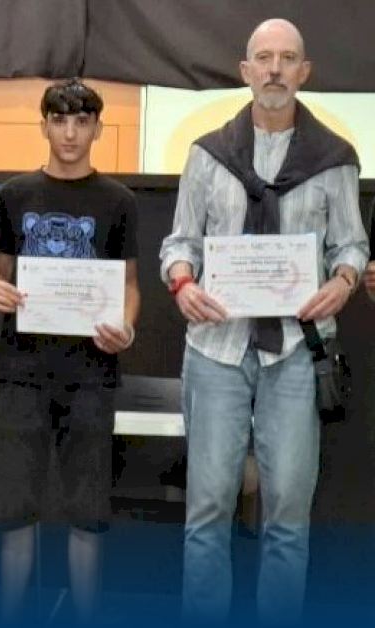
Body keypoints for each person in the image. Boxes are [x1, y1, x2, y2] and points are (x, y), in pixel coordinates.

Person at [159, 18, 367, 623]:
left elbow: (352, 245)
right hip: (215, 350)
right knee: (207, 513)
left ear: (305, 72)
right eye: (264, 58)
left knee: (288, 520)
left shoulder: (336, 159)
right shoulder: (206, 155)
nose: (275, 69)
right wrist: (182, 283)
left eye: (288, 58)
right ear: (245, 71)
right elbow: (179, 242)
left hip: (296, 353)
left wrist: (342, 282)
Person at [0, 79, 139, 623]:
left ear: (97, 129)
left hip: (91, 371)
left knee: (88, 511)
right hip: (21, 370)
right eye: (59, 120)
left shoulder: (118, 201)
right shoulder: (15, 195)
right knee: (14, 510)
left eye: (81, 122)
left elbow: (129, 285)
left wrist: (126, 326)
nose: (70, 133)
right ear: (44, 125)